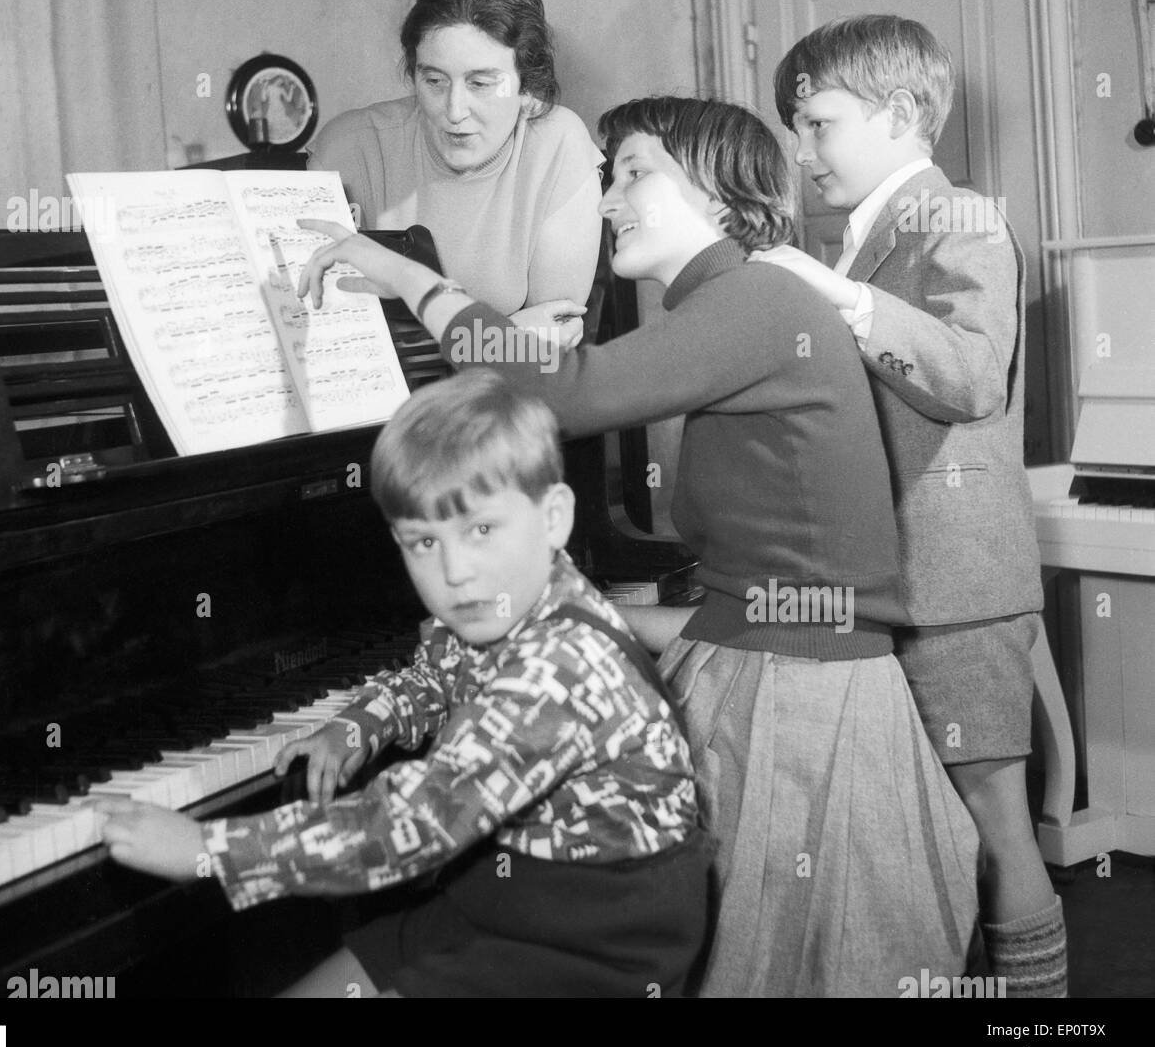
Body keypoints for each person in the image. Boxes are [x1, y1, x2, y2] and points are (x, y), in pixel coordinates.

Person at [294, 95, 981, 998]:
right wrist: (611, 616)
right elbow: (756, 583)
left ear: (717, 188)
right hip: (760, 669)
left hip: (801, 706)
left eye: (633, 176)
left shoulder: (762, 297)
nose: (609, 201)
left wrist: (410, 277)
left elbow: (568, 393)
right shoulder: (730, 303)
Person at [96, 372, 708, 998]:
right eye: (422, 541)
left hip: (596, 943)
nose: (455, 573)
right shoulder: (507, 601)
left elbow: (412, 822)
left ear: (553, 518)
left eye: (481, 530)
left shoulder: (560, 670)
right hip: (507, 895)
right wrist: (360, 723)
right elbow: (435, 674)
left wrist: (207, 849)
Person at [756, 14, 1067, 998]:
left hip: (954, 587)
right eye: (795, 129)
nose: (801, 153)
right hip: (889, 583)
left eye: (817, 124)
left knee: (993, 826)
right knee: (932, 837)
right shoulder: (855, 241)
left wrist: (839, 301)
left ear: (897, 114)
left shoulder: (959, 217)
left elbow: (973, 379)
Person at [305, 0, 603, 342]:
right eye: (434, 81)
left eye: (480, 83)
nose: (454, 110)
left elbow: (552, 347)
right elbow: (319, 331)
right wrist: (505, 334)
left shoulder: (557, 143)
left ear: (525, 83)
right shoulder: (349, 149)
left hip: (504, 399)